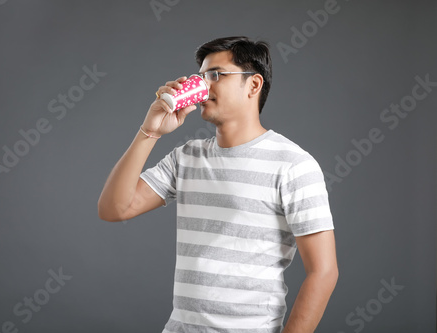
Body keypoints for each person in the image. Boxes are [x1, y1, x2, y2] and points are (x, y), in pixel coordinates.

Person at [98, 36, 338, 333]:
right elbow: (114, 209)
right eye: (201, 76)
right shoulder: (186, 157)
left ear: (253, 85)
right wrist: (150, 132)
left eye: (216, 75)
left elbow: (323, 272)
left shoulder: (293, 164)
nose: (203, 86)